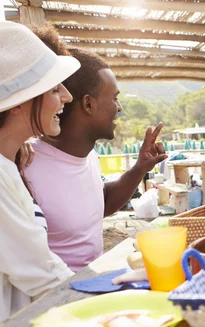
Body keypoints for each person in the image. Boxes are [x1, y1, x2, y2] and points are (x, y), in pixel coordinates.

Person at [22, 27, 167, 272]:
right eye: (114, 98)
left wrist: (140, 168)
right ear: (88, 103)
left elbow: (102, 201)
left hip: (92, 286)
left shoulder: (88, 155)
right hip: (55, 300)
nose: (119, 108)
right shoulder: (26, 165)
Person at [0, 22, 79, 320]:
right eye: (55, 88)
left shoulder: (9, 164)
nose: (67, 97)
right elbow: (39, 272)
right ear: (19, 102)